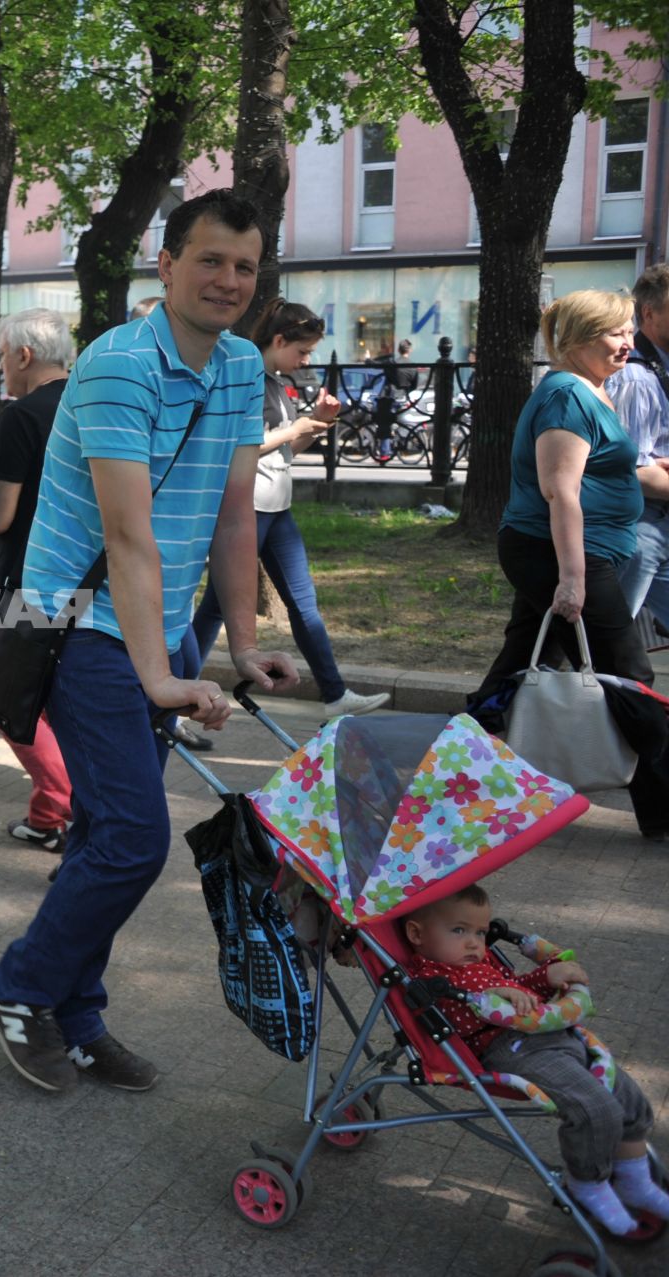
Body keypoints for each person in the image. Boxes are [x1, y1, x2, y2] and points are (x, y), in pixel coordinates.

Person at [0, 189, 299, 1093]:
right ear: (166, 265)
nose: (229, 280)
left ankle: (76, 1018)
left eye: (244, 265)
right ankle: (18, 986)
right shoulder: (122, 364)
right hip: (79, 626)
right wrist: (160, 675)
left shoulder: (240, 367)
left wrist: (238, 641)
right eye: (210, 260)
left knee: (98, 834)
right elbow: (128, 536)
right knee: (130, 836)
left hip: (154, 629)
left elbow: (237, 517)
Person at [472, 289, 667, 839]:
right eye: (615, 333)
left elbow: (607, 470)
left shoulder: (592, 389)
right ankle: (663, 807)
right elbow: (561, 492)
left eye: (630, 330)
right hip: (554, 554)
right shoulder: (566, 397)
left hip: (561, 552)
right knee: (631, 676)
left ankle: (457, 773)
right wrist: (573, 580)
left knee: (516, 668)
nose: (628, 342)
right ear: (579, 337)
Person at [401, 884, 669, 1235]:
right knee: (594, 1108)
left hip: (550, 1035)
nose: (473, 943)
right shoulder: (431, 980)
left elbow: (521, 994)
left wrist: (545, 976)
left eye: (480, 932)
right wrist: (491, 995)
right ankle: (586, 1183)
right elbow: (462, 1016)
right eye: (459, 930)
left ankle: (635, 1180)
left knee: (629, 1097)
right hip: (509, 1049)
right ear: (416, 934)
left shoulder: (476, 961)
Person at [187, 300, 392, 718]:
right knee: (217, 608)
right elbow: (245, 447)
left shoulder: (275, 382)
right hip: (251, 506)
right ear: (278, 340)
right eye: (302, 351)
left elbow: (284, 451)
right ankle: (180, 695)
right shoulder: (250, 381)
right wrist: (294, 428)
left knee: (298, 603)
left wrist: (314, 423)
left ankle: (334, 694)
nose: (306, 360)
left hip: (274, 506)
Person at [0, 308, 76, 854]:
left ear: (23, 354)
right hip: (89, 579)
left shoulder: (22, 417)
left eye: (0, 356)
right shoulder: (89, 404)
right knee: (62, 699)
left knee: (4, 693)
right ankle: (55, 812)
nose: (0, 368)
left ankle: (55, 803)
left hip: (27, 581)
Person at [610, 263, 669, 634]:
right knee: (605, 642)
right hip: (640, 524)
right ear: (649, 312)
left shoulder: (657, 365)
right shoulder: (635, 375)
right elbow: (632, 469)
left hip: (656, 523)